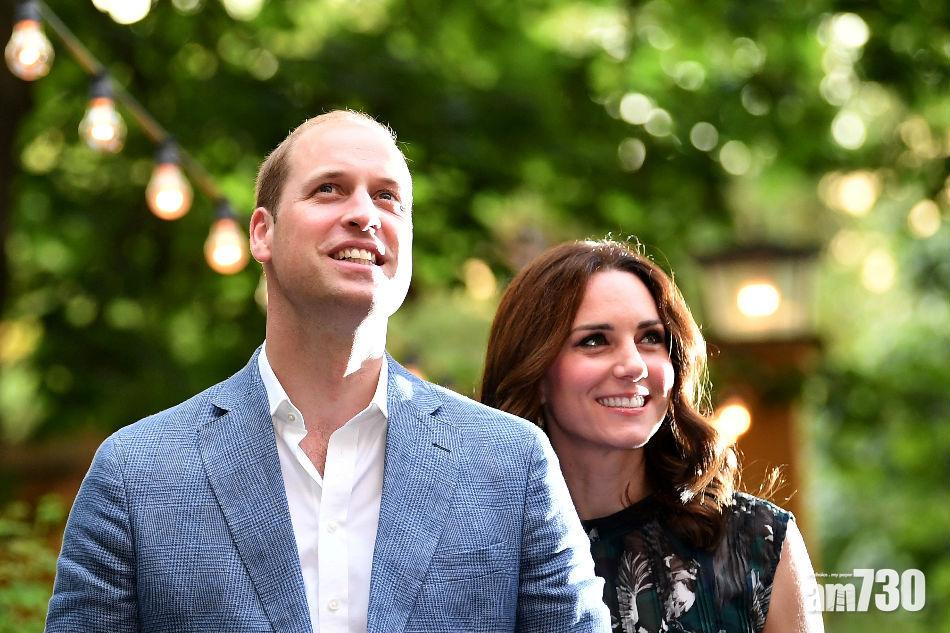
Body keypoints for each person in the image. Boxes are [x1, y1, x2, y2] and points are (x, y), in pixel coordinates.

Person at [45, 111, 610, 633]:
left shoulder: (512, 464)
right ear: (261, 233)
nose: (365, 214)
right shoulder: (135, 475)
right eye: (329, 189)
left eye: (388, 197)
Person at [480, 239, 823, 633]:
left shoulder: (757, 543)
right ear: (535, 373)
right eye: (594, 341)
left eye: (650, 338)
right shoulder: (471, 549)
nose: (634, 365)